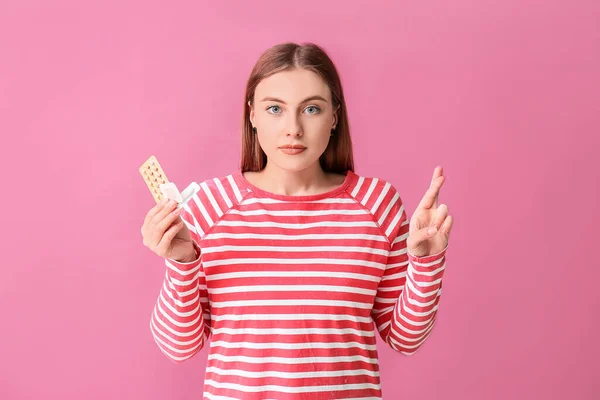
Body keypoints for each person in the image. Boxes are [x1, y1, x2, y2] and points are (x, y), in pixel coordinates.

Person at [141, 42, 453, 400]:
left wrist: (426, 263)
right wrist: (181, 264)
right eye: (275, 108)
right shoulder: (210, 207)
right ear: (253, 116)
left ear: (334, 116)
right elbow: (177, 347)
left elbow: (405, 338)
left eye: (311, 109)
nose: (293, 129)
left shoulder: (377, 205)